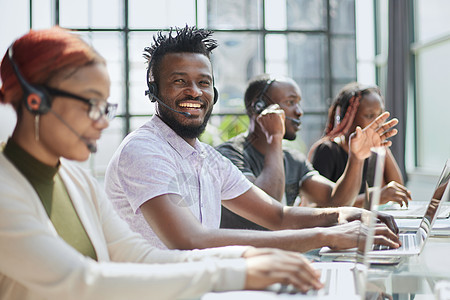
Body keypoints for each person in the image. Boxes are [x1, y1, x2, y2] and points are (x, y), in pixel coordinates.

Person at [0, 27, 326, 300]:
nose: (103, 122)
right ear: (35, 101)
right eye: (91, 104)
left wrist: (246, 257)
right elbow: (84, 281)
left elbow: (141, 258)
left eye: (106, 106)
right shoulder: (5, 189)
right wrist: (238, 271)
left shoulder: (75, 179)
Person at [105, 25, 400, 254]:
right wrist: (327, 236)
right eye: (179, 81)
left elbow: (278, 215)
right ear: (154, 90)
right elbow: (190, 240)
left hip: (201, 284)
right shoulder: (143, 150)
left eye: (204, 82)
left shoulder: (207, 159)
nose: (194, 91)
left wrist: (349, 216)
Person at [308, 82, 411, 208]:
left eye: (380, 115)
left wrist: (383, 148)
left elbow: (398, 192)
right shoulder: (327, 151)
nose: (376, 122)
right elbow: (322, 205)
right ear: (348, 118)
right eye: (369, 116)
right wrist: (374, 197)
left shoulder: (375, 152)